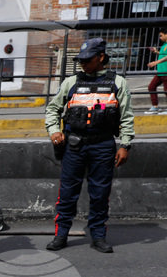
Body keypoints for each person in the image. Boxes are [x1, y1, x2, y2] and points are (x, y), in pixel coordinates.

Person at [44, 38, 133, 253]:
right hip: (74, 146)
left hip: (103, 145)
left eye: (88, 60)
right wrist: (54, 130)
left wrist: (125, 145)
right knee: (67, 193)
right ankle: (61, 235)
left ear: (101, 58)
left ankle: (98, 236)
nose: (83, 64)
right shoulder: (70, 83)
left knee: (100, 193)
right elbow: (52, 109)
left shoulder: (118, 83)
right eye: (81, 60)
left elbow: (127, 117)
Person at [145, 29, 167, 114]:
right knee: (151, 87)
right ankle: (155, 106)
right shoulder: (164, 45)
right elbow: (163, 56)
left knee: (166, 90)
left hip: (166, 71)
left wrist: (155, 62)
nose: (160, 38)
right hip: (160, 71)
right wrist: (156, 51)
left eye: (161, 35)